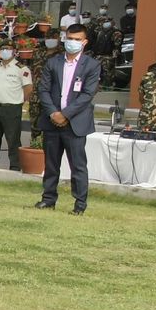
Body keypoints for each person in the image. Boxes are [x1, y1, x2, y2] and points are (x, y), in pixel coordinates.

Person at [35, 22, 98, 214]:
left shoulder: (92, 65)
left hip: (75, 123)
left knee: (78, 165)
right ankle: (48, 199)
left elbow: (87, 95)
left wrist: (66, 114)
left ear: (84, 42)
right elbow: (43, 89)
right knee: (51, 164)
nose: (72, 42)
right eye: (69, 39)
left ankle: (79, 204)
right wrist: (54, 113)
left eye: (77, 40)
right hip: (52, 121)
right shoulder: (53, 62)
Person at [0, 41, 32, 168]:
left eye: (8, 49)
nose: (5, 51)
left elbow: (28, 88)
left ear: (14, 51)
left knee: (13, 139)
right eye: (3, 49)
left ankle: (15, 166)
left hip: (12, 108)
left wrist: (20, 102)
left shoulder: (21, 69)